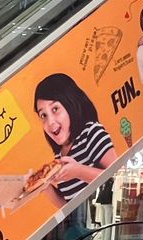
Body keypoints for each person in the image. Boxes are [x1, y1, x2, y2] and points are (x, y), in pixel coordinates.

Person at [34, 72, 115, 208]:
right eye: (43, 115)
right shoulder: (59, 155)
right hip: (83, 221)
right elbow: (70, 207)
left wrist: (79, 172)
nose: (50, 121)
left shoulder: (91, 133)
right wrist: (43, 186)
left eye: (55, 109)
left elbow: (118, 179)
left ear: (70, 104)